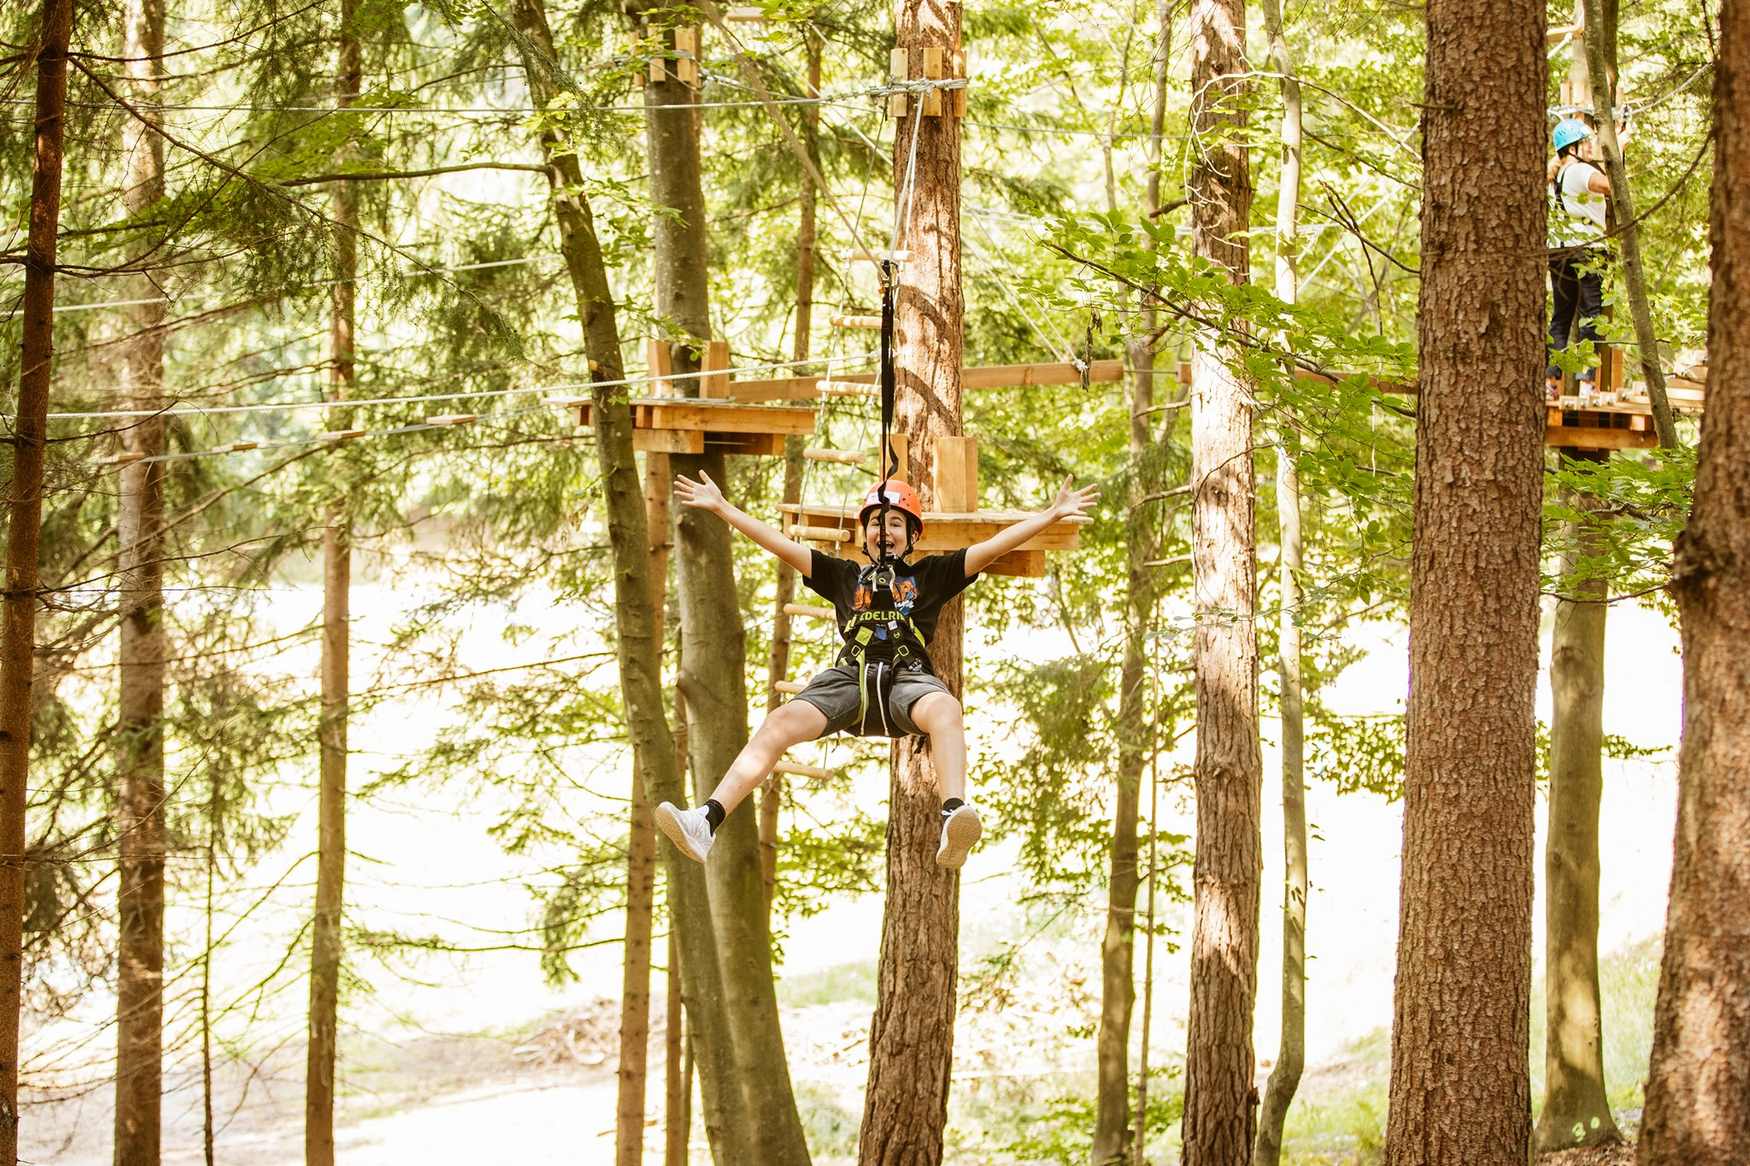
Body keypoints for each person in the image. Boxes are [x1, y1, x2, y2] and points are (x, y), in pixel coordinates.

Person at [653, 469, 1098, 870]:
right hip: (849, 680)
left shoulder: (932, 575)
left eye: (895, 524)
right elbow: (779, 544)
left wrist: (1050, 515)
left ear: (911, 536)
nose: (884, 531)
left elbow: (993, 547)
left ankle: (953, 814)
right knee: (780, 721)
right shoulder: (842, 576)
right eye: (876, 523)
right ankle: (706, 822)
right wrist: (723, 508)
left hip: (908, 679)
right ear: (863, 534)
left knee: (945, 709)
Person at [1547, 117, 1613, 401]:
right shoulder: (1578, 171)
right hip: (1587, 251)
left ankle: (1550, 380)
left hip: (1559, 251)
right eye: (1585, 143)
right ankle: (1586, 381)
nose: (1589, 147)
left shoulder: (1556, 176)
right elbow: (1610, 186)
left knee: (1561, 316)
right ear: (1572, 148)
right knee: (1591, 315)